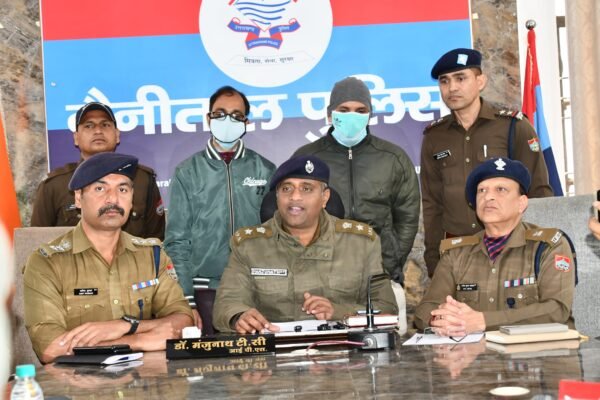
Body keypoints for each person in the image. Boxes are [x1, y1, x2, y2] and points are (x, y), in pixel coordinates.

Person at [23, 153, 193, 363]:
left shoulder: (152, 255)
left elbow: (184, 322)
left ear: (131, 199)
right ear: (78, 198)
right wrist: (141, 339)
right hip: (79, 380)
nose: (113, 199)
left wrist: (126, 326)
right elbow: (50, 348)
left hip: (145, 379)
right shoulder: (47, 262)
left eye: (122, 189)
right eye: (100, 189)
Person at [213, 155, 398, 334]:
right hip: (274, 348)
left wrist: (339, 312)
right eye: (286, 189)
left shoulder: (361, 243)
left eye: (306, 188)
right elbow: (227, 303)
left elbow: (386, 308)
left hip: (343, 347)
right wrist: (239, 317)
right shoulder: (249, 246)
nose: (295, 197)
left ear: (325, 197)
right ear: (277, 196)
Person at [421, 48, 554, 276]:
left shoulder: (513, 126)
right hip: (458, 253)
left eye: (461, 78)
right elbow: (432, 203)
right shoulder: (434, 136)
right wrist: (434, 258)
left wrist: (538, 250)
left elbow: (539, 192)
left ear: (480, 81)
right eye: (444, 81)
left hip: (509, 249)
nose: (452, 88)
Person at [415, 157, 574, 336]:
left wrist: (483, 321)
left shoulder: (548, 246)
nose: (488, 197)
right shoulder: (456, 254)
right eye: (481, 190)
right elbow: (425, 310)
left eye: (501, 189)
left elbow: (556, 310)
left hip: (538, 351)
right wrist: (443, 320)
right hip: (473, 352)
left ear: (521, 203)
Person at [293, 76, 420, 284]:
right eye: (343, 110)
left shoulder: (393, 158)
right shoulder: (307, 158)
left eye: (361, 111)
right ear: (330, 114)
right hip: (320, 276)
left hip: (380, 274)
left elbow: (407, 218)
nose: (352, 116)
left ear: (370, 115)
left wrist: (391, 262)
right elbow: (291, 215)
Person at [164, 86, 275, 305]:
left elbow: (277, 234)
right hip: (203, 288)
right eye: (220, 114)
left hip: (255, 286)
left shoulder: (265, 170)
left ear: (246, 122)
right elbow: (177, 241)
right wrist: (186, 299)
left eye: (236, 116)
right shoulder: (187, 171)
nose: (227, 121)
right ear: (209, 119)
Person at [31, 102, 165, 239]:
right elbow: (38, 241)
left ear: (117, 135)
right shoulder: (54, 185)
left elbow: (156, 239)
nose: (98, 131)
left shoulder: (142, 179)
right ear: (76, 138)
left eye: (105, 125)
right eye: (89, 126)